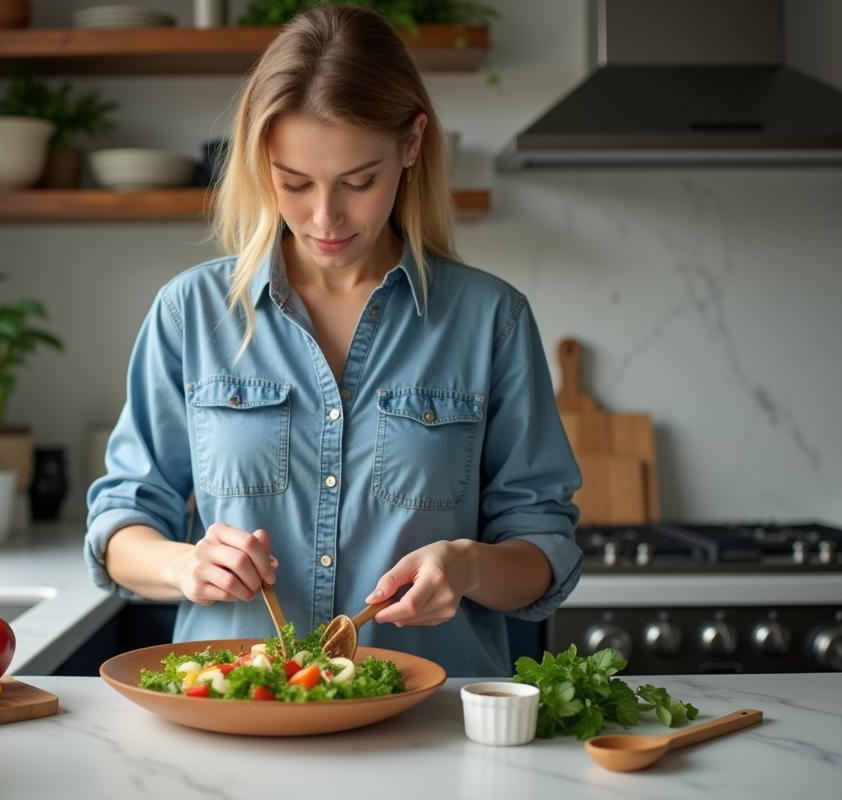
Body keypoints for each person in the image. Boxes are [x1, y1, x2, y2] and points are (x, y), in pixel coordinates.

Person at [85, 5, 582, 677]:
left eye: (358, 181)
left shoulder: (491, 320)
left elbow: (543, 546)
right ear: (262, 162)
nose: (325, 218)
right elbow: (120, 523)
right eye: (294, 183)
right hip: (239, 718)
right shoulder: (190, 312)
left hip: (428, 728)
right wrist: (183, 563)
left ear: (411, 145)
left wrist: (466, 567)